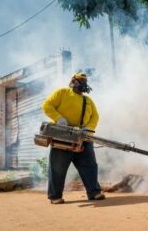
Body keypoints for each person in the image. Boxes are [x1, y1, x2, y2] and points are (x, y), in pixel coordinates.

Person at [42, 72, 105, 204]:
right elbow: (47, 105)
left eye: (84, 81)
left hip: (83, 136)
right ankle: (55, 196)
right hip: (62, 135)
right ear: (73, 81)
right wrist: (58, 118)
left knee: (90, 165)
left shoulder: (88, 100)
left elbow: (95, 116)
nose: (82, 83)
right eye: (80, 80)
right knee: (58, 167)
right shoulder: (62, 93)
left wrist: (89, 129)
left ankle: (94, 192)